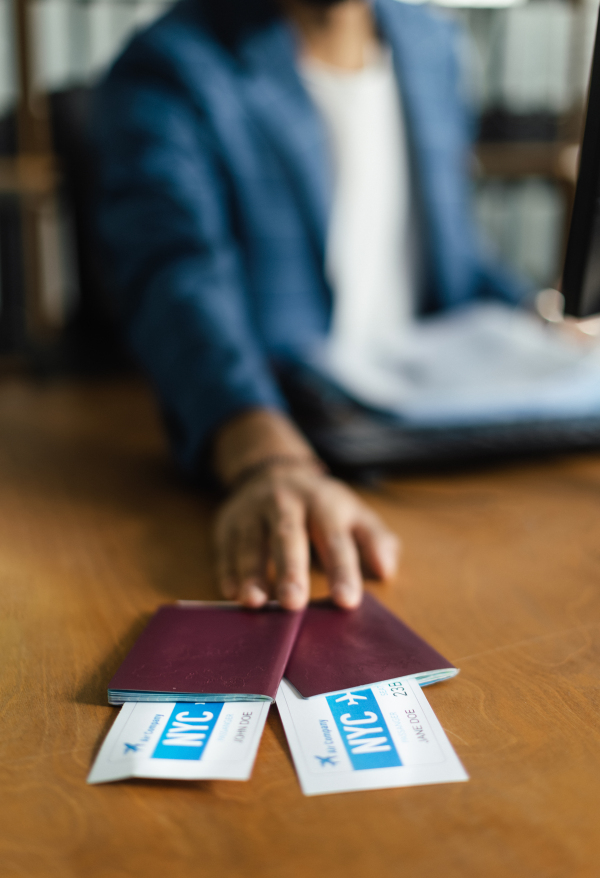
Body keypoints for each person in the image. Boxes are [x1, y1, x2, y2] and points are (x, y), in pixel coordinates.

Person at [93, 0, 523, 611]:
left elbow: (457, 260)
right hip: (291, 442)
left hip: (439, 453)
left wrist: (542, 323)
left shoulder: (434, 45)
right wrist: (265, 455)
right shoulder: (170, 67)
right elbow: (172, 271)